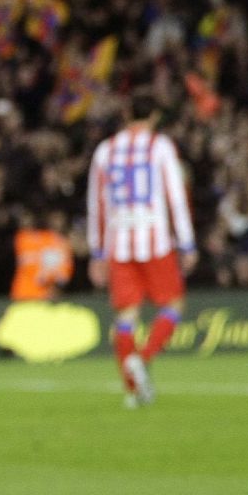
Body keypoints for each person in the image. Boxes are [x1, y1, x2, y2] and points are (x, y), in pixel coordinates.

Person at [85, 88, 197, 407]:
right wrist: (186, 242)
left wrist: (96, 252)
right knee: (173, 305)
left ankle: (134, 391)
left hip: (118, 242)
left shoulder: (105, 151)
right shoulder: (160, 146)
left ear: (125, 115)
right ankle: (144, 359)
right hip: (155, 238)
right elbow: (175, 196)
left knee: (126, 316)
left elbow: (96, 204)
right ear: (154, 117)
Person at [10, 205, 74, 302]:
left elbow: (64, 274)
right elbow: (28, 264)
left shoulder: (61, 242)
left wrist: (50, 278)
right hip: (23, 296)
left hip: (48, 299)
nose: (57, 222)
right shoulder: (23, 238)